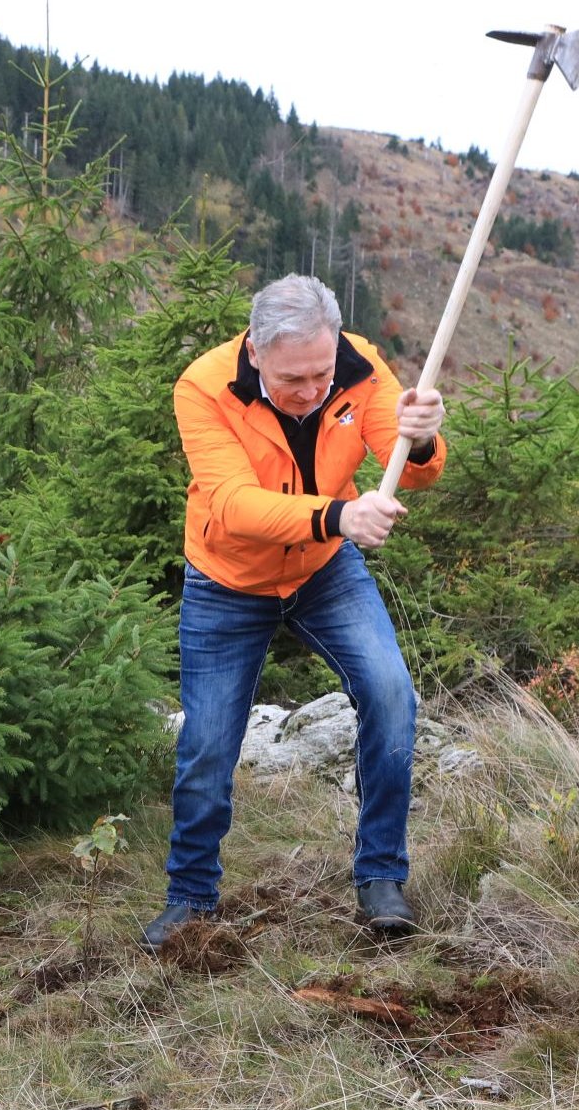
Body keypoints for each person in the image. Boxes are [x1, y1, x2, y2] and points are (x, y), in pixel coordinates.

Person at [149, 274, 447, 950]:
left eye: (321, 372)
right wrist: (343, 514)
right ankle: (191, 897)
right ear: (255, 352)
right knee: (207, 746)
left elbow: (412, 462)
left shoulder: (358, 365)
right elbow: (233, 505)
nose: (313, 390)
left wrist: (423, 439)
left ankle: (381, 878)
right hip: (230, 579)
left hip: (322, 571)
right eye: (294, 379)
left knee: (391, 694)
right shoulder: (204, 387)